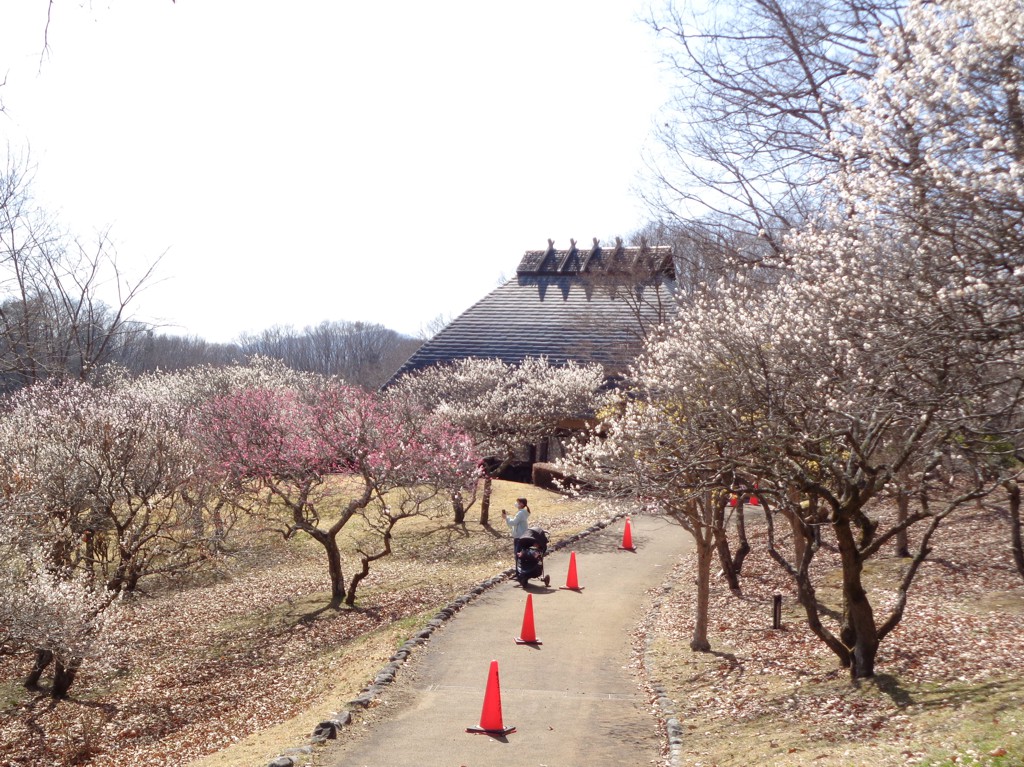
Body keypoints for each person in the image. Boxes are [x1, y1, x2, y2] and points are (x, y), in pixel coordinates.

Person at [501, 498, 531, 574]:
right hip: (523, 535)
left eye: (518, 502)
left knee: (518, 554)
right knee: (522, 553)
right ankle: (522, 571)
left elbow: (513, 523)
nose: (516, 504)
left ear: (522, 504)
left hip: (519, 536)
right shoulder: (523, 513)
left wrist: (506, 518)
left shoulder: (520, 513)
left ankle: (519, 572)